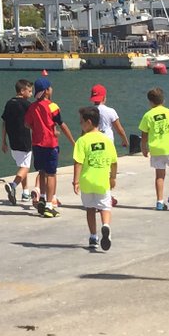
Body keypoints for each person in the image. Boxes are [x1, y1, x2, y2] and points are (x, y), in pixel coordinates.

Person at [24, 78, 73, 217]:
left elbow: (27, 124)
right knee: (51, 174)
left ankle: (42, 198)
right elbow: (61, 124)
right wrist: (72, 141)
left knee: (42, 172)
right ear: (46, 91)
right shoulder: (53, 106)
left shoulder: (32, 107)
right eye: (50, 88)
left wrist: (38, 128)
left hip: (37, 144)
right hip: (50, 144)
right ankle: (50, 205)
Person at [72, 106, 117, 251]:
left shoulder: (82, 141)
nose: (80, 124)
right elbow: (114, 162)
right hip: (102, 180)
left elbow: (78, 162)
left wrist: (76, 181)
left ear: (89, 122)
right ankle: (106, 226)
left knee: (90, 208)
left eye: (81, 122)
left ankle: (93, 236)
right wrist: (113, 178)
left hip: (86, 181)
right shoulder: (107, 140)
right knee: (105, 207)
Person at [0, 79, 34, 207]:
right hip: (24, 139)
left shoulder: (9, 103)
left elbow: (4, 123)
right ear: (22, 91)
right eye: (29, 91)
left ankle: (25, 192)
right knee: (26, 167)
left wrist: (3, 141)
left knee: (22, 165)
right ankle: (13, 185)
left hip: (12, 140)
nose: (31, 94)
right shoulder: (27, 105)